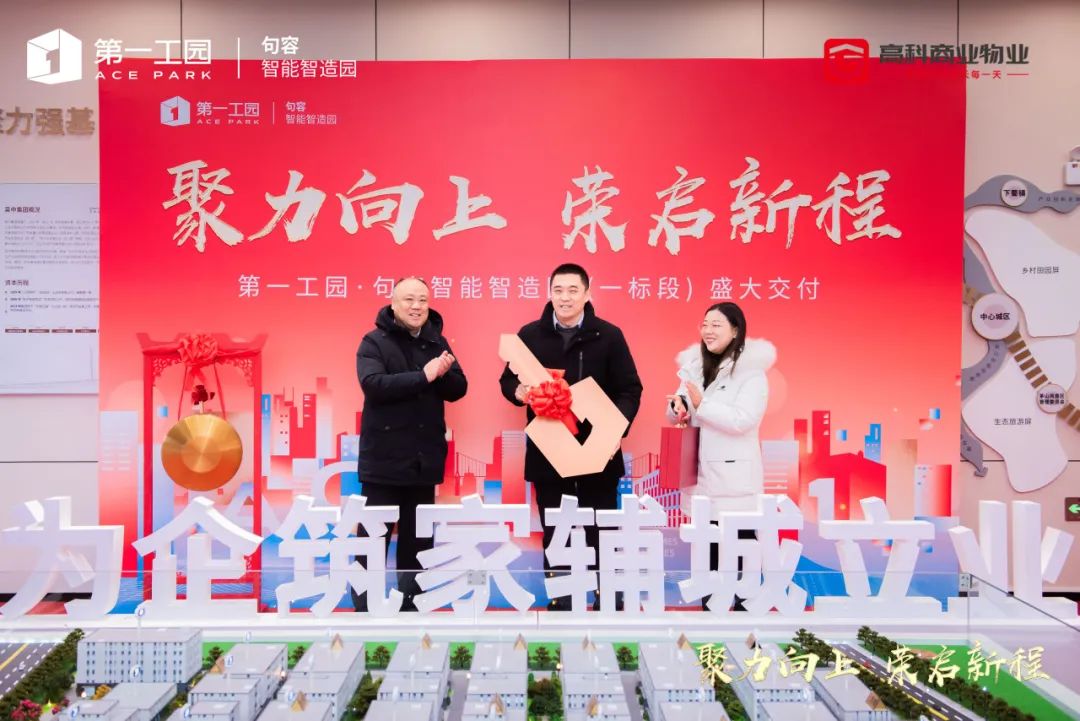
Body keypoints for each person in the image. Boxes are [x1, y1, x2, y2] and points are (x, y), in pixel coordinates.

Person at [499, 263, 642, 611]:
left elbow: (629, 389)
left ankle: (608, 599)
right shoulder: (530, 335)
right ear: (549, 293)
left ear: (587, 293)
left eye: (573, 290)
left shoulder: (609, 335)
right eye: (558, 290)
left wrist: (613, 431)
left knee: (601, 530)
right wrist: (519, 391)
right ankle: (561, 600)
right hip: (549, 451)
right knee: (556, 531)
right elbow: (507, 380)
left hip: (598, 453)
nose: (565, 298)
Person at [353, 277, 467, 612]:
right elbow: (373, 385)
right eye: (409, 299)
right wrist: (424, 376)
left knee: (418, 545)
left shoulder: (436, 341)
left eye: (422, 300)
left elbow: (459, 388)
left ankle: (412, 609)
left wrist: (442, 373)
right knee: (372, 542)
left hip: (423, 463)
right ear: (393, 304)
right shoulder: (373, 342)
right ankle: (364, 610)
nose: (416, 306)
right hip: (383, 464)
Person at [666, 301, 775, 610]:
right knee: (708, 562)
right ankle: (710, 627)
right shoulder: (694, 368)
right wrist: (677, 407)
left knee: (740, 562)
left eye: (716, 325)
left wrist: (702, 404)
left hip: (734, 485)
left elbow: (743, 420)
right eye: (705, 324)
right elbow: (678, 409)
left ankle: (744, 626)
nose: (708, 331)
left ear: (735, 331)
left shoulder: (752, 374)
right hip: (700, 481)